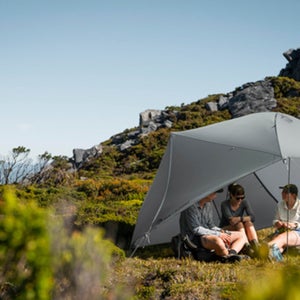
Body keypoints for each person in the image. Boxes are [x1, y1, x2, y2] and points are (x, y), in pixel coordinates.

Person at [180, 189, 247, 262]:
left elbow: (210, 225)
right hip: (195, 238)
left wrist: (222, 232)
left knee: (241, 235)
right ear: (207, 193)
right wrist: (218, 234)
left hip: (208, 234)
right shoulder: (190, 207)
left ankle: (231, 254)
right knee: (218, 241)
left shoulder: (208, 204)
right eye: (214, 192)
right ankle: (227, 257)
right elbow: (196, 229)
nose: (216, 195)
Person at [219, 183, 259, 256]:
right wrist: (244, 219)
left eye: (242, 197)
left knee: (248, 223)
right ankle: (247, 246)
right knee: (240, 223)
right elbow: (231, 221)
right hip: (226, 228)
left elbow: (253, 217)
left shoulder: (244, 202)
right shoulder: (224, 204)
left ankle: (256, 245)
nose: (240, 200)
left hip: (240, 228)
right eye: (237, 198)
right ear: (231, 195)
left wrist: (240, 218)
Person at [267, 184, 300, 261]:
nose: (282, 193)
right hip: (282, 230)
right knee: (279, 242)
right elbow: (275, 219)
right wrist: (277, 223)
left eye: (286, 192)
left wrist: (294, 225)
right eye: (282, 191)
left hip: (297, 231)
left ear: (294, 195)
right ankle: (276, 258)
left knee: (281, 238)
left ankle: (266, 248)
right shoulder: (280, 204)